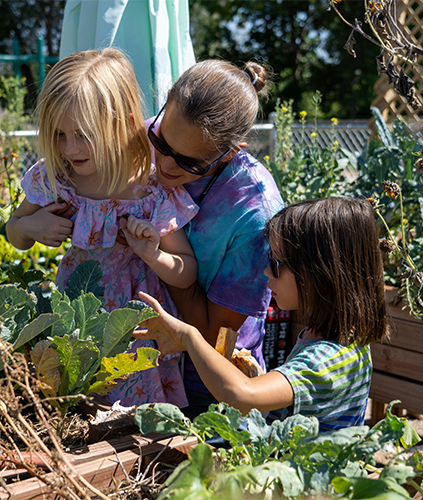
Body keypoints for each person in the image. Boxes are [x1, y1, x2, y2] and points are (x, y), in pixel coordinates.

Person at [4, 48, 197, 407]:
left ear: (122, 123)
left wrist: (153, 254)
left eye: (82, 135)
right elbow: (12, 232)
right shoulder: (56, 177)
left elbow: (186, 272)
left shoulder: (150, 185)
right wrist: (32, 225)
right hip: (76, 309)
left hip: (136, 323)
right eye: (59, 134)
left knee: (133, 416)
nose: (69, 148)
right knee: (75, 400)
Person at [136, 197, 387, 431]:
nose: (267, 271)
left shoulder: (325, 359)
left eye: (276, 264)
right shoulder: (341, 340)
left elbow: (241, 396)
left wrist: (188, 336)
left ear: (320, 274)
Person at [144, 59, 286, 418]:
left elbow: (213, 335)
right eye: (160, 141)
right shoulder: (151, 138)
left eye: (190, 163)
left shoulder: (254, 210)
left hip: (208, 379)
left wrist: (160, 256)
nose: (165, 165)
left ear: (232, 150)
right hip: (140, 359)